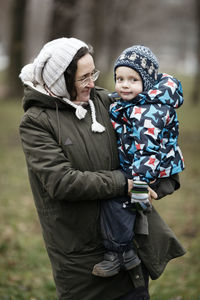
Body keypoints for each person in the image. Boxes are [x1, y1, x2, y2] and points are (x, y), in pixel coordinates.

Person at [19, 37, 185, 300]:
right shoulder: (37, 123)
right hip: (82, 259)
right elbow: (61, 182)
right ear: (60, 80)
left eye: (93, 73)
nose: (92, 83)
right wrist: (125, 183)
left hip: (130, 245)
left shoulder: (105, 103)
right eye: (84, 78)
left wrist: (156, 181)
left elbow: (149, 138)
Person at [92, 45, 185, 278]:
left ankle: (121, 253)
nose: (124, 84)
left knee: (119, 202)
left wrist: (140, 186)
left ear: (148, 83)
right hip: (138, 167)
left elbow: (148, 152)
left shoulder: (149, 112)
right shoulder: (133, 103)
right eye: (119, 78)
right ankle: (128, 254)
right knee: (119, 199)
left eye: (133, 79)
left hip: (153, 171)